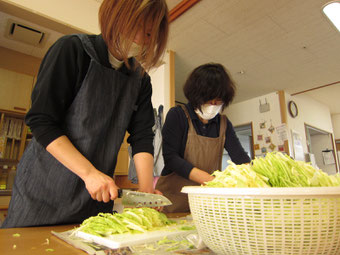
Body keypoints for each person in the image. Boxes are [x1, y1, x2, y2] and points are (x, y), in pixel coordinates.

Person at [2, 0, 169, 228]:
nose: (143, 40)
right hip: (42, 194)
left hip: (95, 201)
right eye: (139, 27)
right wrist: (89, 173)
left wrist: (146, 190)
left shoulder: (140, 81)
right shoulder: (72, 49)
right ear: (116, 16)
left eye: (151, 34)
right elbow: (41, 121)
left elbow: (142, 137)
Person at [156, 63, 251, 213]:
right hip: (173, 199)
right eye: (209, 100)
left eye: (218, 101)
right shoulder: (178, 115)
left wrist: (253, 177)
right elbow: (171, 158)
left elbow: (240, 158)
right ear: (196, 96)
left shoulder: (224, 124)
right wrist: (210, 180)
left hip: (205, 203)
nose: (213, 105)